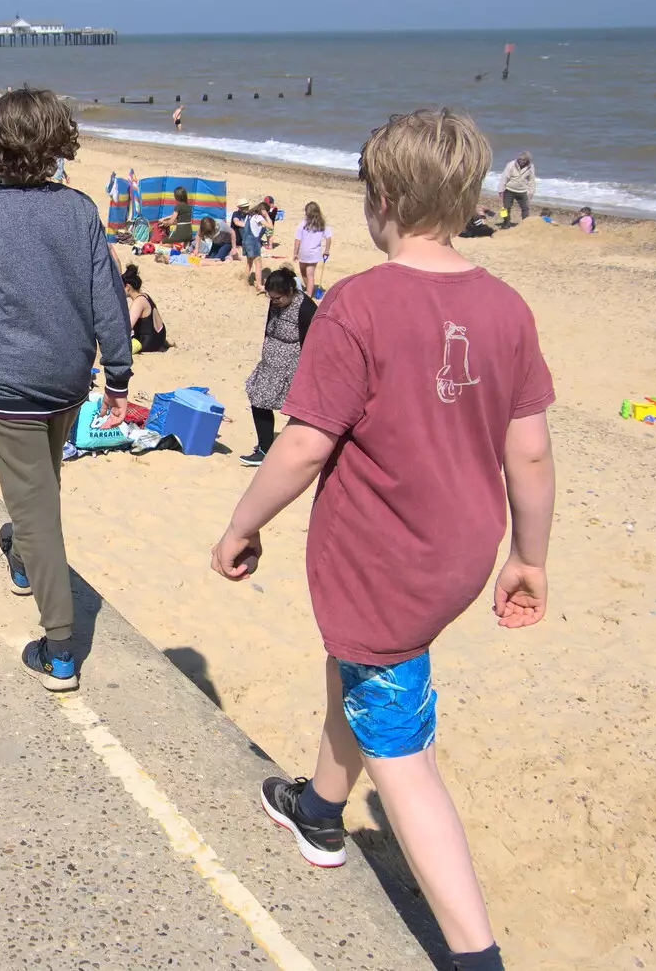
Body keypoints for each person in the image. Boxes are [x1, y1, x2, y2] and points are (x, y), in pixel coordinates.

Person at [211, 109, 555, 971]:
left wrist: (242, 524)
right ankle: (322, 809)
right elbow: (532, 449)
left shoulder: (359, 304)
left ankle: (476, 955)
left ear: (383, 200)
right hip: (460, 551)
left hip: (384, 558)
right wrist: (530, 554)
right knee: (362, 666)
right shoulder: (505, 307)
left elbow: (303, 443)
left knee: (403, 754)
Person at [0, 87, 132, 693]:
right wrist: (117, 373)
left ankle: (59, 647)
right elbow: (107, 300)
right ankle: (20, 554)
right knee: (40, 485)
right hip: (67, 378)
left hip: (10, 382)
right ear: (57, 140)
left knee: (37, 505)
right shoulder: (80, 210)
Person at [238, 267, 316, 466]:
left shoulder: (305, 308)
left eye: (278, 298)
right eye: (271, 298)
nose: (274, 302)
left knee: (294, 409)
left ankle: (292, 450)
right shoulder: (276, 303)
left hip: (290, 365)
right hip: (269, 363)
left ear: (290, 291)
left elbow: (313, 341)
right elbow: (269, 327)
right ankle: (265, 448)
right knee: (257, 398)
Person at [122, 264, 168, 353]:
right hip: (159, 338)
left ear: (127, 287)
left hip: (149, 343)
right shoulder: (145, 296)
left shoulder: (138, 302)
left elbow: (127, 327)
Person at [292, 202, 333, 296]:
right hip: (314, 253)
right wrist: (326, 250)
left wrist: (295, 252)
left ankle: (308, 291)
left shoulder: (302, 224)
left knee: (304, 273)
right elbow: (328, 238)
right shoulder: (322, 224)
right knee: (310, 274)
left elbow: (298, 240)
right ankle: (309, 293)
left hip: (303, 252)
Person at [497, 151, 536, 227]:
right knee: (505, 208)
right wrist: (500, 190)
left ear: (527, 160)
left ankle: (525, 224)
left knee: (525, 208)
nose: (521, 161)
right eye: (520, 160)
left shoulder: (531, 167)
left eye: (523, 160)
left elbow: (532, 180)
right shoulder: (511, 164)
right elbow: (504, 177)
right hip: (509, 190)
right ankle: (506, 222)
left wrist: (531, 192)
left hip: (522, 191)